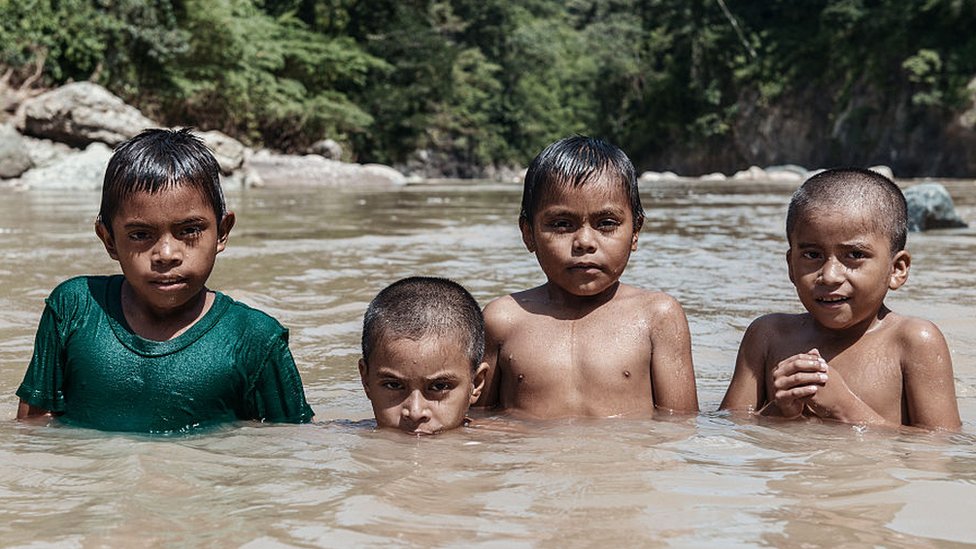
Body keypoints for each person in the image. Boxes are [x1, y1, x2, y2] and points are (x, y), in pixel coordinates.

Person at [15, 128, 314, 433]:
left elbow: (289, 443)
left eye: (190, 230)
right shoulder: (74, 308)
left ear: (222, 232)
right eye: (140, 234)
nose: (166, 254)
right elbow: (31, 431)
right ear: (109, 240)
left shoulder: (255, 340)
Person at [475, 135, 698, 418]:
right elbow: (478, 420)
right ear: (528, 233)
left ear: (635, 231)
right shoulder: (503, 320)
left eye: (606, 223)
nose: (584, 242)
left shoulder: (658, 317)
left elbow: (681, 425)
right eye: (561, 224)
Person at [720, 168, 961, 430]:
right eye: (812, 255)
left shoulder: (914, 341)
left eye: (855, 255)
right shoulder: (768, 335)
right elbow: (730, 431)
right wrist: (780, 409)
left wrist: (843, 408)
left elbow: (938, 445)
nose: (830, 276)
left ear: (897, 269)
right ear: (791, 265)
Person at [359, 276, 488, 435]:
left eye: (439, 387)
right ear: (366, 380)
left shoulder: (503, 442)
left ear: (476, 383)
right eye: (393, 385)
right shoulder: (338, 435)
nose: (415, 412)